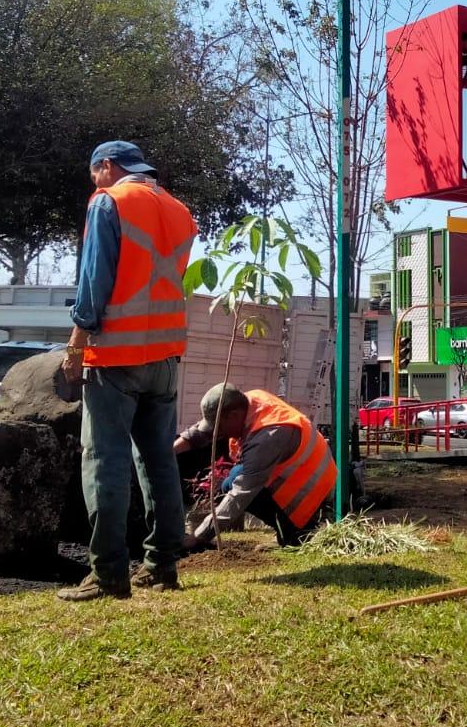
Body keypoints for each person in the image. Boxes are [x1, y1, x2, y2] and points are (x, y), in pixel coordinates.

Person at [57, 141, 197, 602]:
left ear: (107, 167)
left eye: (94, 173)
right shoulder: (179, 210)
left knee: (104, 461)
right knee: (158, 461)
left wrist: (78, 342)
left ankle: (108, 575)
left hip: (114, 356)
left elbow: (94, 281)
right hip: (164, 358)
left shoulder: (109, 202)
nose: (93, 182)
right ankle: (161, 565)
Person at [175, 384, 335, 550]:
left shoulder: (267, 436)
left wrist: (198, 536)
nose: (217, 433)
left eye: (220, 427)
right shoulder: (248, 401)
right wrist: (172, 450)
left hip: (313, 489)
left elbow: (241, 493)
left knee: (236, 482)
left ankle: (298, 534)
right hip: (301, 473)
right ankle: (289, 531)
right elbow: (205, 430)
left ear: (234, 415)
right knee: (232, 479)